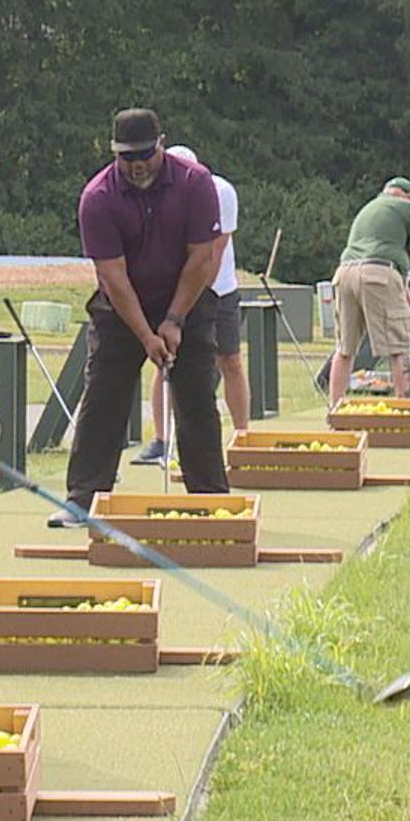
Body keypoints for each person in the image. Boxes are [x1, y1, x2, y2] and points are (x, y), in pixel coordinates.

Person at [50, 108, 226, 527]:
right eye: (128, 157)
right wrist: (147, 336)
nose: (137, 165)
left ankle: (210, 503)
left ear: (160, 144)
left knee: (197, 397)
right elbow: (112, 276)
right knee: (103, 397)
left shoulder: (194, 183)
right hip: (122, 306)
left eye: (145, 154)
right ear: (115, 154)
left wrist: (174, 320)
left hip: (186, 299)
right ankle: (84, 501)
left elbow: (203, 258)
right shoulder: (98, 197)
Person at [136, 144, 244, 464]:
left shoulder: (220, 191)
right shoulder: (156, 193)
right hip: (175, 293)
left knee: (230, 361)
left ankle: (243, 437)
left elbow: (212, 253)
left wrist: (192, 307)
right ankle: (161, 440)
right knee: (164, 359)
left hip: (218, 289)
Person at [328, 177, 410, 404]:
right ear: (408, 196)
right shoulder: (408, 208)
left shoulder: (369, 208)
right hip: (379, 275)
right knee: (400, 347)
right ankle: (406, 412)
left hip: (344, 274)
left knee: (345, 349)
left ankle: (335, 412)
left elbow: (397, 281)